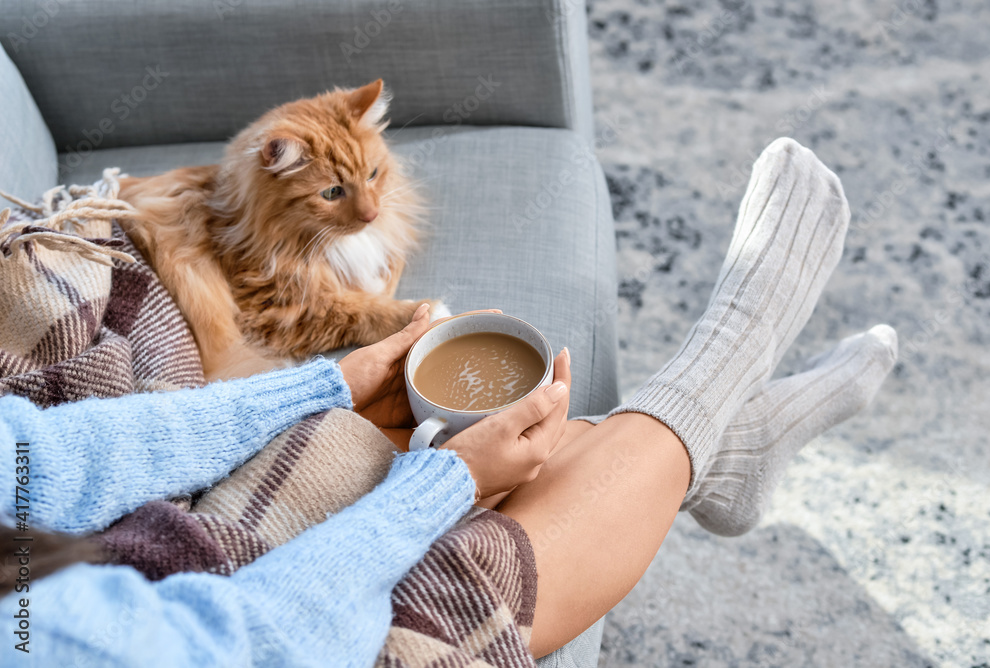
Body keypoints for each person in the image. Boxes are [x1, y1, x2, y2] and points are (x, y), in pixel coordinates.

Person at [0, 138, 897, 665]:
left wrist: (331, 381)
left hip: (115, 591)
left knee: (327, 456)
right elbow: (265, 640)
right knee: (445, 578)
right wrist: (444, 487)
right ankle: (726, 368)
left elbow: (46, 461)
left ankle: (722, 457)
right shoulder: (43, 640)